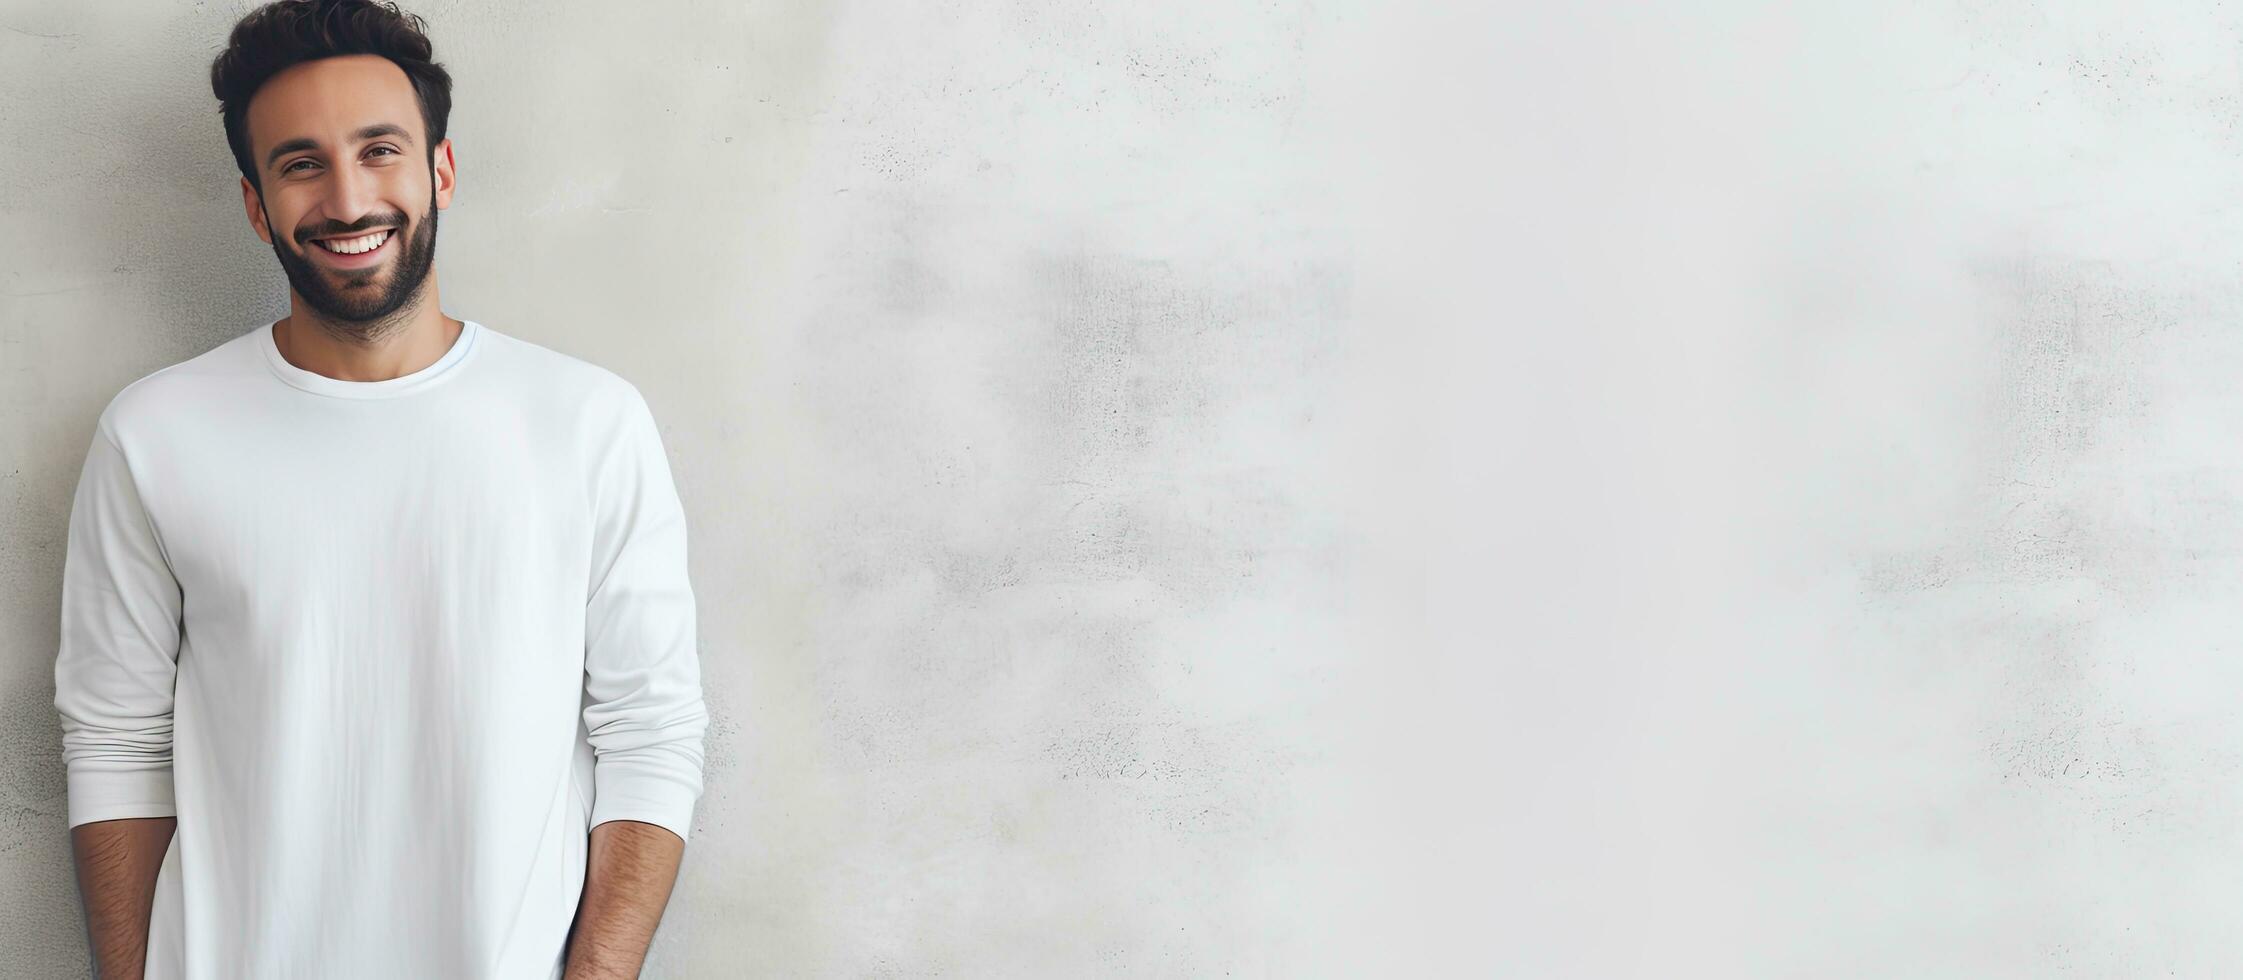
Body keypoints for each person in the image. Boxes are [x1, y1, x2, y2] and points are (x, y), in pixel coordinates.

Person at [52, 2, 710, 977]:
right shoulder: (155, 433)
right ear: (255, 202)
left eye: (379, 150)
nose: (349, 199)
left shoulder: (587, 423)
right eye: (301, 162)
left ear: (439, 169)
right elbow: (114, 741)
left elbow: (651, 731)